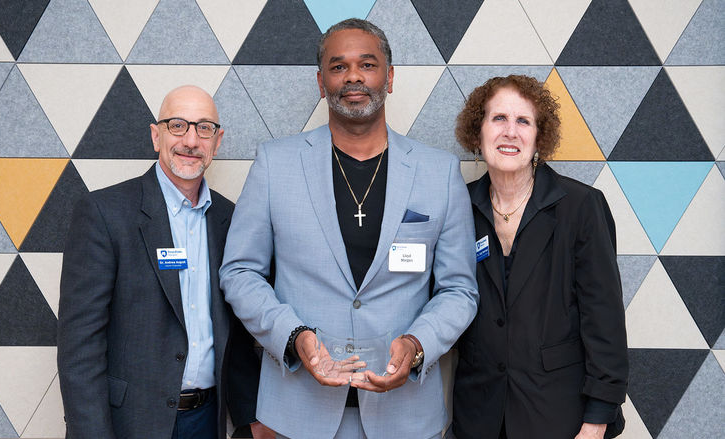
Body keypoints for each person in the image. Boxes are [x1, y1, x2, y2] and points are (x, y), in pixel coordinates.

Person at [219, 18, 479, 439]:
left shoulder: (439, 172)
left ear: (389, 77)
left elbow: (459, 290)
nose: (353, 76)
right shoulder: (275, 163)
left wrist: (416, 346)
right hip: (295, 414)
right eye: (338, 66)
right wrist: (294, 337)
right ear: (321, 83)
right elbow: (239, 272)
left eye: (367, 64)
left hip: (406, 417)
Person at [58, 85, 272, 439]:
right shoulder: (104, 213)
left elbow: (235, 331)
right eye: (178, 126)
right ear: (156, 136)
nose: (190, 140)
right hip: (129, 423)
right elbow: (80, 346)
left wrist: (251, 416)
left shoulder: (230, 219)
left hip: (207, 420)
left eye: (204, 128)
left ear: (217, 142)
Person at [451, 75, 628, 439]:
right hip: (478, 415)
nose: (510, 132)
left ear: (538, 136)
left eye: (523, 121)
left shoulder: (581, 206)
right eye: (498, 118)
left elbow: (604, 322)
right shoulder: (457, 205)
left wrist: (597, 421)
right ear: (478, 131)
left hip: (559, 415)